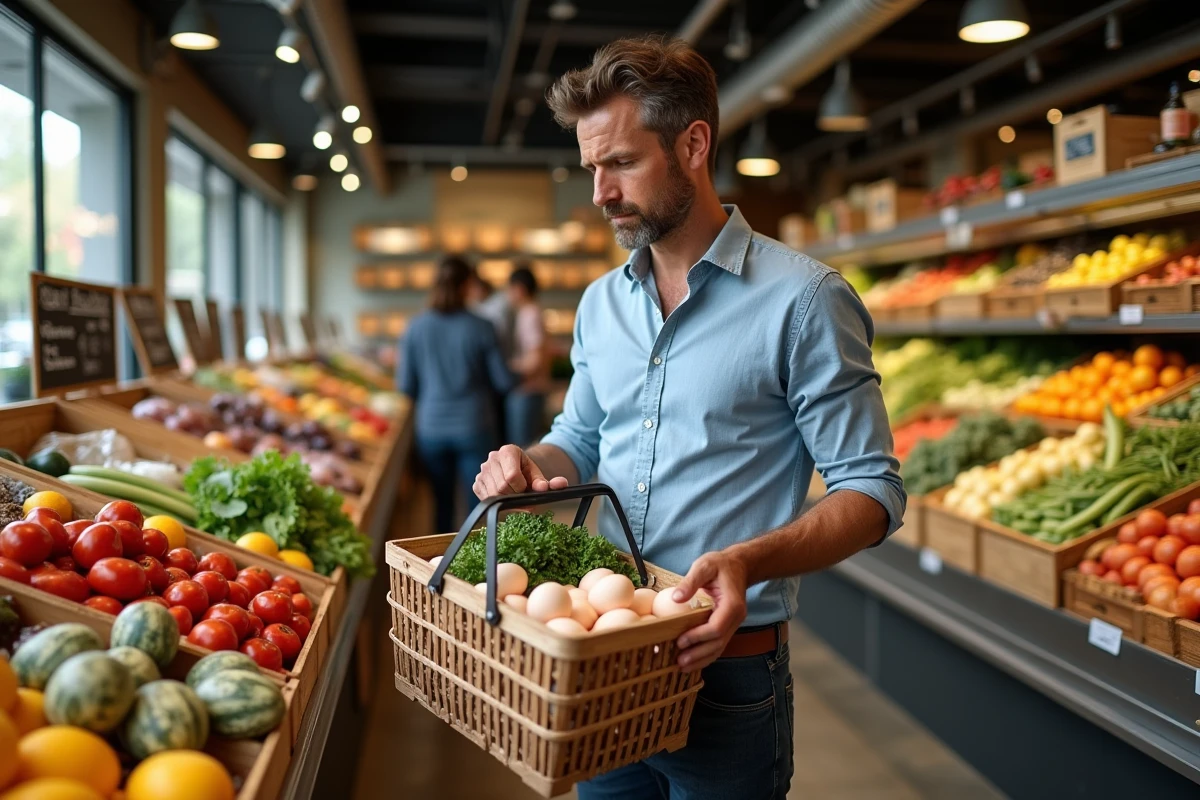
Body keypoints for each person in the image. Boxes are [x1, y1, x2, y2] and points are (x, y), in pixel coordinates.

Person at [472, 36, 905, 799]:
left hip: (731, 671)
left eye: (622, 163)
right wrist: (533, 461)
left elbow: (871, 493)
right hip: (603, 663)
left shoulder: (804, 301)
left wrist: (746, 562)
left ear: (693, 144)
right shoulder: (602, 303)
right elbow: (577, 435)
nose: (601, 192)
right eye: (592, 168)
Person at [399, 256, 516, 534]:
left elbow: (406, 385)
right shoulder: (482, 326)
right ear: (468, 284)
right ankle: (476, 573)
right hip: (474, 426)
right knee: (480, 506)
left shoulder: (416, 327)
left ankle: (440, 568)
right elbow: (503, 381)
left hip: (431, 428)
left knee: (441, 505)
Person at [505, 265, 549, 447]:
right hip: (530, 391)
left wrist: (509, 368)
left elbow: (535, 359)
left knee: (522, 450)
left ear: (519, 288)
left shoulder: (529, 314)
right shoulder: (532, 311)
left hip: (527, 391)